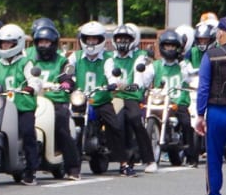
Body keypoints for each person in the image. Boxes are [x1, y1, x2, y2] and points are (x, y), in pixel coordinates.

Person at [0, 24, 42, 185]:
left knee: (28, 132)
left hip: (23, 106)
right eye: (3, 43)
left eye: (9, 43)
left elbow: (34, 80)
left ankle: (31, 170)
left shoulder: (25, 62)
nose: (5, 46)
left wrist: (32, 87)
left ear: (18, 43)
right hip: (3, 107)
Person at [67, 21, 132, 176]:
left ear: (101, 40)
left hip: (101, 100)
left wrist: (112, 83)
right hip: (80, 100)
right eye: (88, 39)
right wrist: (65, 81)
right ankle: (69, 165)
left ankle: (124, 163)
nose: (91, 42)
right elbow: (67, 71)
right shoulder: (75, 56)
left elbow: (111, 73)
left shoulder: (107, 59)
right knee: (65, 124)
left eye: (94, 39)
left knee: (115, 126)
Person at [30, 25, 81, 180]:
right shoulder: (31, 60)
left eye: (46, 42)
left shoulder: (62, 61)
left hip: (56, 101)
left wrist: (66, 84)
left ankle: (73, 167)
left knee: (61, 126)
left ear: (53, 43)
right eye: (40, 42)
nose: (43, 46)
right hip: (34, 100)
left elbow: (68, 77)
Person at [196, 16, 226, 195]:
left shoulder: (211, 55)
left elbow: (203, 88)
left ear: (220, 33)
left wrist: (200, 114)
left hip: (216, 111)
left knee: (214, 159)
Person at [143, 30, 196, 167]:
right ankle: (143, 152)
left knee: (186, 122)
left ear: (178, 48)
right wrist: (140, 85)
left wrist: (183, 65)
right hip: (159, 102)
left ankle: (191, 157)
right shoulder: (155, 65)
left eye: (173, 46)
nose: (170, 49)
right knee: (143, 116)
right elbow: (144, 80)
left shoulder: (184, 64)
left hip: (178, 103)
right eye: (167, 46)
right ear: (161, 47)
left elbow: (191, 78)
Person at [111, 24, 157, 173]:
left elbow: (138, 81)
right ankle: (121, 160)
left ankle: (149, 159)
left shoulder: (139, 56)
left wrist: (126, 86)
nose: (122, 41)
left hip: (131, 96)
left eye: (126, 38)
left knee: (136, 119)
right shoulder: (110, 57)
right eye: (119, 38)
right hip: (114, 96)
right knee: (116, 121)